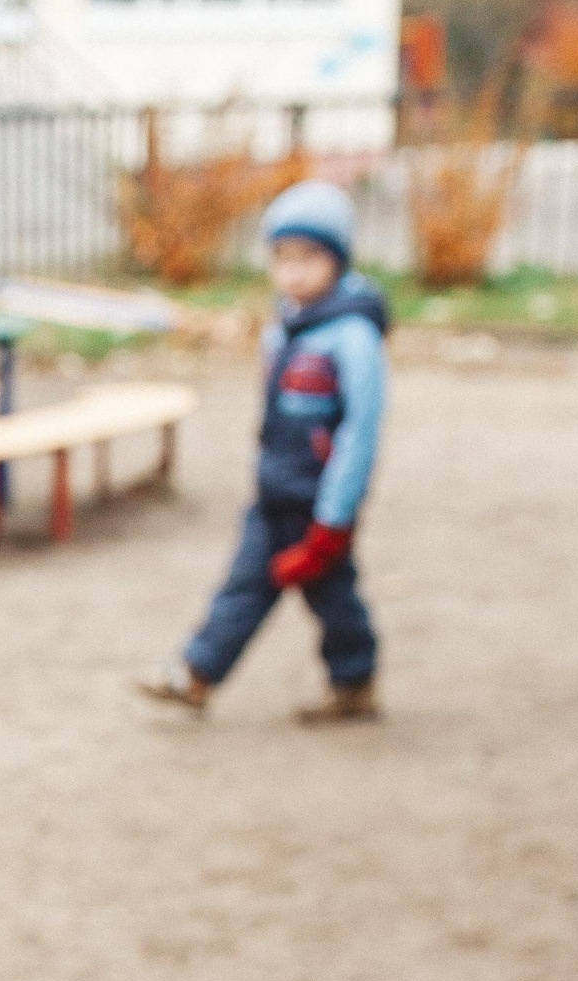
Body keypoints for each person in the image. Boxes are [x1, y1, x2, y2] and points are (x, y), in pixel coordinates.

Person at [142, 180, 390, 723]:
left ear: (338, 260)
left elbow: (360, 433)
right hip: (274, 490)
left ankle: (355, 680)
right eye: (283, 258)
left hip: (319, 503)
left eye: (310, 257)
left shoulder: (353, 336)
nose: (294, 272)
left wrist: (333, 519)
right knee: (246, 582)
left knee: (332, 595)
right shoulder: (284, 328)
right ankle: (197, 672)